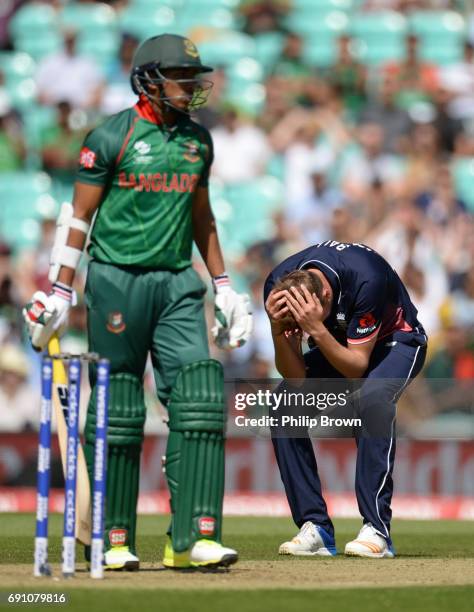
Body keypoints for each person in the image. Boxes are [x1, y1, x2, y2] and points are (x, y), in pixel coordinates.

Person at [24, 33, 252, 571]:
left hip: (177, 281)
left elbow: (204, 218)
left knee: (198, 396)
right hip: (115, 279)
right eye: (181, 77)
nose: (192, 87)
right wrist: (60, 287)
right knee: (119, 407)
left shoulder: (199, 142)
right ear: (148, 78)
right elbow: (79, 217)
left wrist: (222, 285)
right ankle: (114, 537)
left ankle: (193, 538)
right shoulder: (111, 136)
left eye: (195, 78)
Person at [264, 240, 427, 558]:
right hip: (339, 345)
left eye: (310, 316)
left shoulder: (367, 278)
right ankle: (316, 527)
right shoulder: (279, 288)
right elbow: (295, 379)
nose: (303, 324)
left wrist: (317, 330)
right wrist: (276, 330)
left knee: (374, 400)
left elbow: (356, 366)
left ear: (325, 295)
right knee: (284, 404)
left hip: (397, 340)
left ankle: (377, 531)